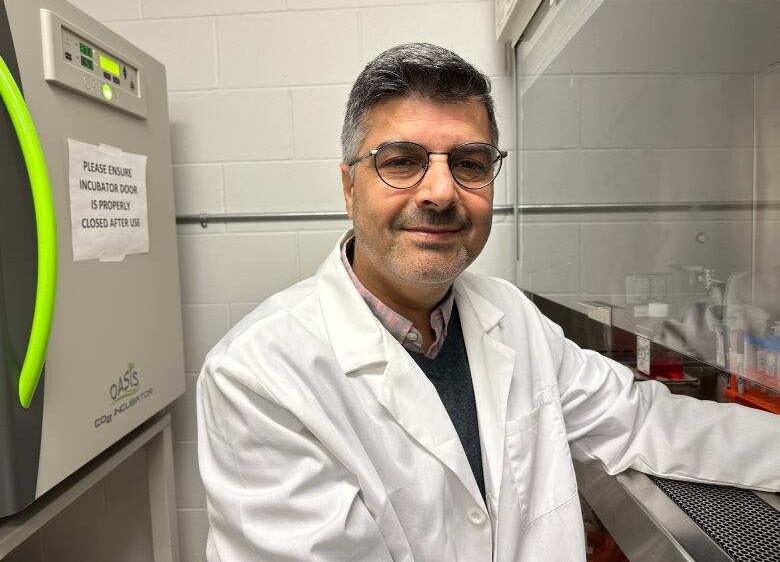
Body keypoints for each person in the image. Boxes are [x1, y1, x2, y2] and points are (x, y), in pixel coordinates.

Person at [197, 43, 780, 562]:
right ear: (349, 187)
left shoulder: (511, 316)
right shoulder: (258, 376)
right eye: (401, 161)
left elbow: (641, 422)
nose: (441, 191)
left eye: (470, 164)